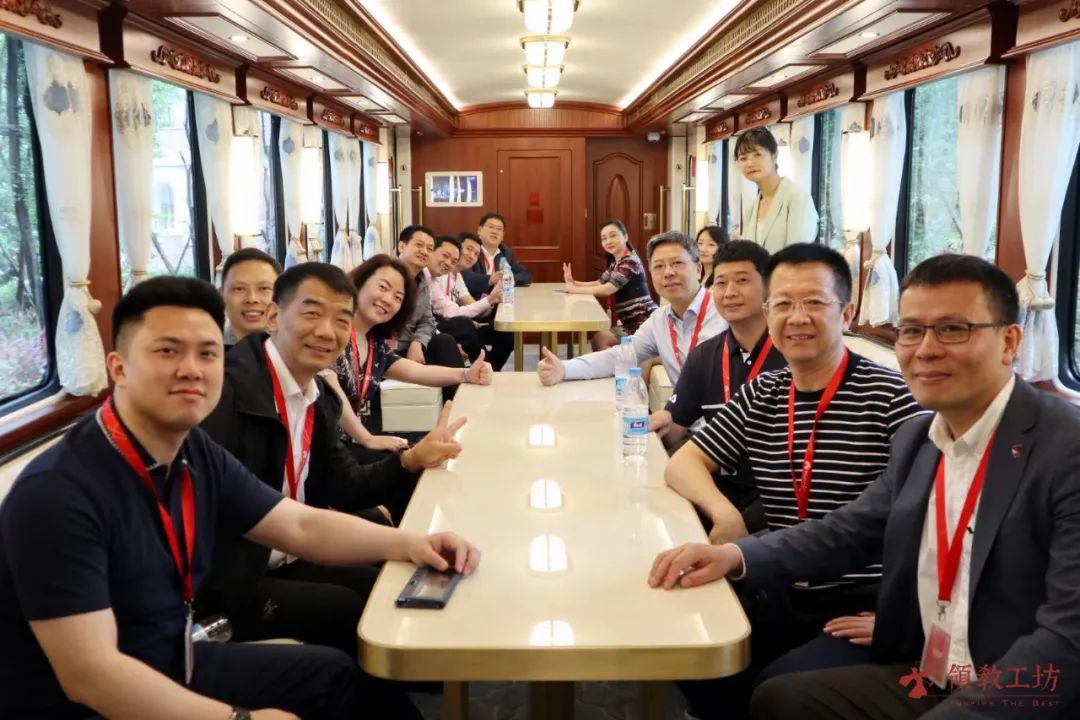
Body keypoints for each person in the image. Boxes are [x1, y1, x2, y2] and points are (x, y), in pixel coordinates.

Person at [0, 276, 479, 720]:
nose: (191, 369)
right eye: (167, 351)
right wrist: (239, 719)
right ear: (119, 367)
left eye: (208, 353)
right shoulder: (57, 494)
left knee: (334, 676)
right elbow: (91, 676)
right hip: (96, 701)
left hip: (173, 655)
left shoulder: (191, 451)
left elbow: (299, 525)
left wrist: (414, 543)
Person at [652, 254, 1080, 719]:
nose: (926, 349)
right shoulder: (924, 439)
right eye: (912, 331)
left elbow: (1067, 640)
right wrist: (734, 556)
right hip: (932, 662)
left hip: (1018, 686)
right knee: (769, 693)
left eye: (953, 329)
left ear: (1009, 341)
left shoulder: (1062, 449)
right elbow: (847, 531)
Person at [656, 242, 925, 720]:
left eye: (814, 302)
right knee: (683, 637)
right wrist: (725, 513)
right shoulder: (765, 390)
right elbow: (683, 463)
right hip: (779, 580)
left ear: (846, 313)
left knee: (778, 688)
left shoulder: (892, 398)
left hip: (860, 600)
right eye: (782, 304)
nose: (796, 317)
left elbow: (923, 523)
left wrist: (907, 616)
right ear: (768, 312)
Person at [198, 263, 469, 697]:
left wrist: (410, 460)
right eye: (311, 313)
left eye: (341, 319)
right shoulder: (225, 391)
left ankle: (442, 680)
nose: (327, 331)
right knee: (346, 610)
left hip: (290, 551)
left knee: (385, 584)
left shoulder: (317, 396)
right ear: (274, 317)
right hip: (231, 580)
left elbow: (342, 487)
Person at [648, 241, 786, 529]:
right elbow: (675, 428)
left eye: (742, 281)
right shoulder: (706, 355)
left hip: (776, 492)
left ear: (769, 287)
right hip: (720, 482)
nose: (729, 292)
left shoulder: (792, 354)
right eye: (721, 283)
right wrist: (657, 423)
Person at [325, 254, 493, 465]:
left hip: (346, 442)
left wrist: (466, 374)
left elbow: (417, 372)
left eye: (398, 298)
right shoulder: (332, 330)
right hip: (319, 449)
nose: (388, 300)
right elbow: (332, 390)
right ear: (358, 284)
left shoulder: (373, 344)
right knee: (415, 464)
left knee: (433, 456)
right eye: (383, 287)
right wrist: (367, 438)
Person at [538, 230, 725, 388]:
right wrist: (564, 368)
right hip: (685, 416)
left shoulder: (724, 313)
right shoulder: (659, 320)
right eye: (659, 266)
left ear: (698, 269)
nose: (668, 272)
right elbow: (619, 356)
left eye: (677, 263)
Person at [562, 218, 658, 351]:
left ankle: (620, 364)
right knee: (598, 339)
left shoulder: (629, 262)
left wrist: (573, 289)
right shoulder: (616, 263)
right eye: (604, 238)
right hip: (630, 323)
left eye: (613, 236)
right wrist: (574, 283)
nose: (608, 241)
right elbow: (598, 282)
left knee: (600, 340)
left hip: (643, 323)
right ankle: (616, 363)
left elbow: (607, 289)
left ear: (625, 237)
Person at [396, 225, 467, 399]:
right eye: (419, 245)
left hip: (411, 344)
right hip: (388, 349)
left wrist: (417, 343)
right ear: (401, 246)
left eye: (429, 248)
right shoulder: (386, 276)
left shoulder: (422, 280)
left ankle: (456, 403)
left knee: (445, 342)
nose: (424, 251)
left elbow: (427, 319)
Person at [427, 235, 514, 371]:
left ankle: (491, 368)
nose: (471, 256)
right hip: (441, 326)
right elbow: (450, 313)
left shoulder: (457, 276)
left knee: (506, 333)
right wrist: (490, 299)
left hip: (454, 322)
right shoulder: (437, 276)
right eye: (468, 249)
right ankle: (486, 368)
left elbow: (472, 306)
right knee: (464, 324)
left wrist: (493, 300)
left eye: (476, 254)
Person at [736, 127, 818, 251]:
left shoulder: (797, 198)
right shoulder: (751, 209)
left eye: (757, 155)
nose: (750, 163)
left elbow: (798, 255)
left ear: (774, 155)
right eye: (743, 158)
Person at [462, 212, 533, 299]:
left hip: (499, 301)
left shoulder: (505, 252)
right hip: (474, 301)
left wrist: (507, 280)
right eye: (491, 227)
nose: (495, 232)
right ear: (479, 230)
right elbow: (464, 276)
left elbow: (526, 274)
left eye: (499, 229)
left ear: (502, 236)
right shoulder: (471, 250)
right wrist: (490, 279)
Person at [220, 247, 282, 346]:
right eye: (239, 289)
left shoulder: (298, 347)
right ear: (221, 295)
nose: (252, 299)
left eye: (264, 288)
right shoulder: (209, 348)